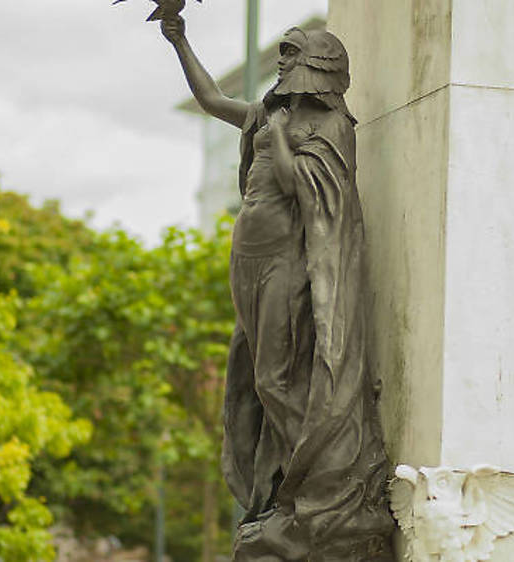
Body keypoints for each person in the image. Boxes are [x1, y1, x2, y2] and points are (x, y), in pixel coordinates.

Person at [161, 16, 395, 562]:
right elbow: (213, 99)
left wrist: (286, 141)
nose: (283, 63)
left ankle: (313, 484)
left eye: (291, 55)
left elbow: (306, 190)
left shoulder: (329, 125)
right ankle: (288, 492)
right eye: (283, 54)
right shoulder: (269, 113)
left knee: (274, 375)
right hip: (248, 254)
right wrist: (178, 38)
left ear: (317, 65)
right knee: (254, 371)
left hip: (289, 258)